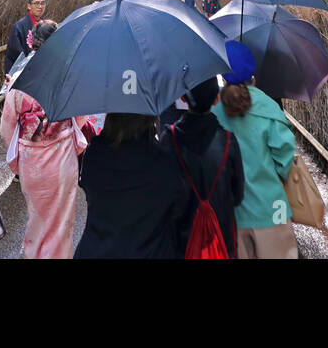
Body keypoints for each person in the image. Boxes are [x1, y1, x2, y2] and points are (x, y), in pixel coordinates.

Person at [0, 20, 88, 258]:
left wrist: (18, 158)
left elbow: (7, 126)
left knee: (37, 220)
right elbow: (80, 116)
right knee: (62, 224)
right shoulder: (67, 74)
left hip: (32, 160)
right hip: (62, 158)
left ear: (33, 43)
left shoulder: (19, 79)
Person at [212, 41, 299, 258]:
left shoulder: (214, 110)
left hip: (232, 215)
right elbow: (285, 156)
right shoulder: (269, 107)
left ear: (223, 77)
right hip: (271, 211)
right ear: (254, 76)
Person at [75, 113, 190, 258]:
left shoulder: (94, 152)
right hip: (148, 250)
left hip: (97, 249)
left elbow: (87, 185)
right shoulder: (162, 160)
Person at [167, 76, 245, 257]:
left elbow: (163, 195)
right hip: (221, 242)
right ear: (217, 99)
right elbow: (238, 196)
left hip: (181, 244)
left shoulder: (169, 140)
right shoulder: (228, 141)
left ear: (183, 99)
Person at [5, 0, 47, 72]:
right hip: (24, 72)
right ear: (29, 6)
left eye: (43, 3)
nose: (40, 6)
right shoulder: (19, 27)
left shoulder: (46, 25)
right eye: (37, 3)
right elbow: (16, 55)